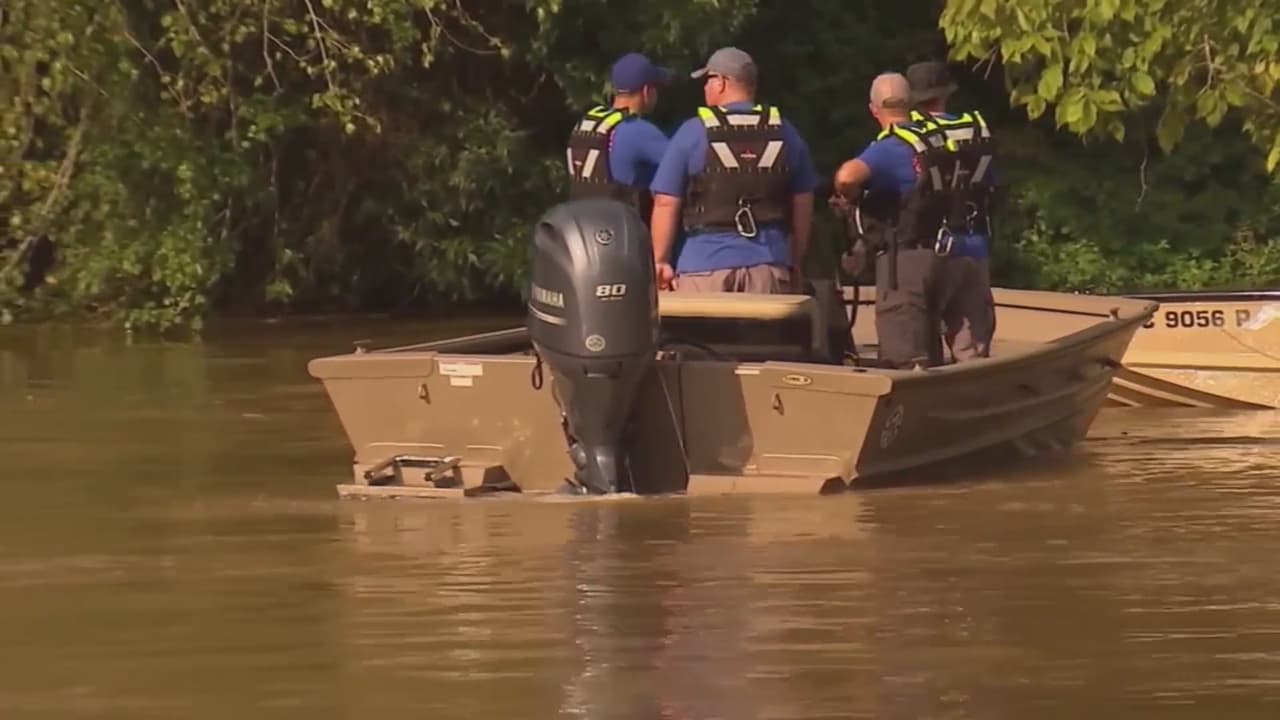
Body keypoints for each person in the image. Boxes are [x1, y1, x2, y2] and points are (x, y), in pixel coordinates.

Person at [830, 72, 993, 369]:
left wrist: (851, 196)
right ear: (910, 103)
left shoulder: (892, 146)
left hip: (909, 258)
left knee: (908, 360)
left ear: (873, 109)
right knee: (972, 359)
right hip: (959, 252)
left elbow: (847, 176)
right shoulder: (939, 139)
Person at [648, 47, 817, 294]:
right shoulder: (785, 131)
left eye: (708, 80)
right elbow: (803, 202)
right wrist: (795, 260)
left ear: (722, 82)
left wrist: (660, 261)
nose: (705, 87)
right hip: (768, 266)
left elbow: (665, 202)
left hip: (703, 267)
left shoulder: (693, 131)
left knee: (699, 323)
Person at [906, 60, 1001, 345]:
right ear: (947, 93)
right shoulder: (977, 130)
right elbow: (991, 182)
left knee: (921, 337)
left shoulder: (911, 136)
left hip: (928, 248)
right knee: (972, 343)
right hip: (974, 242)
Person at [566, 53, 674, 220]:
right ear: (646, 91)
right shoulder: (638, 131)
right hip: (622, 229)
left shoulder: (586, 126)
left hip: (582, 225)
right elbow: (685, 165)